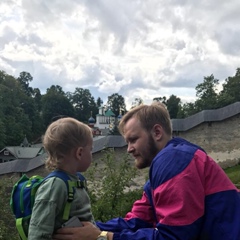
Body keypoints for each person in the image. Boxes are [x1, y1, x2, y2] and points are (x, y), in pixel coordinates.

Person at [53, 103, 240, 240]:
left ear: (157, 132)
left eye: (133, 139)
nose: (129, 149)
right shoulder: (165, 168)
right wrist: (84, 228)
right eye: (127, 142)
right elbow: (136, 221)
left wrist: (102, 236)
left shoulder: (174, 161)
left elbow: (172, 238)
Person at [28, 117, 95, 239]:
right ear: (79, 153)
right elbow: (38, 233)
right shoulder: (55, 185)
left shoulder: (78, 180)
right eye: (90, 150)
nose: (92, 154)